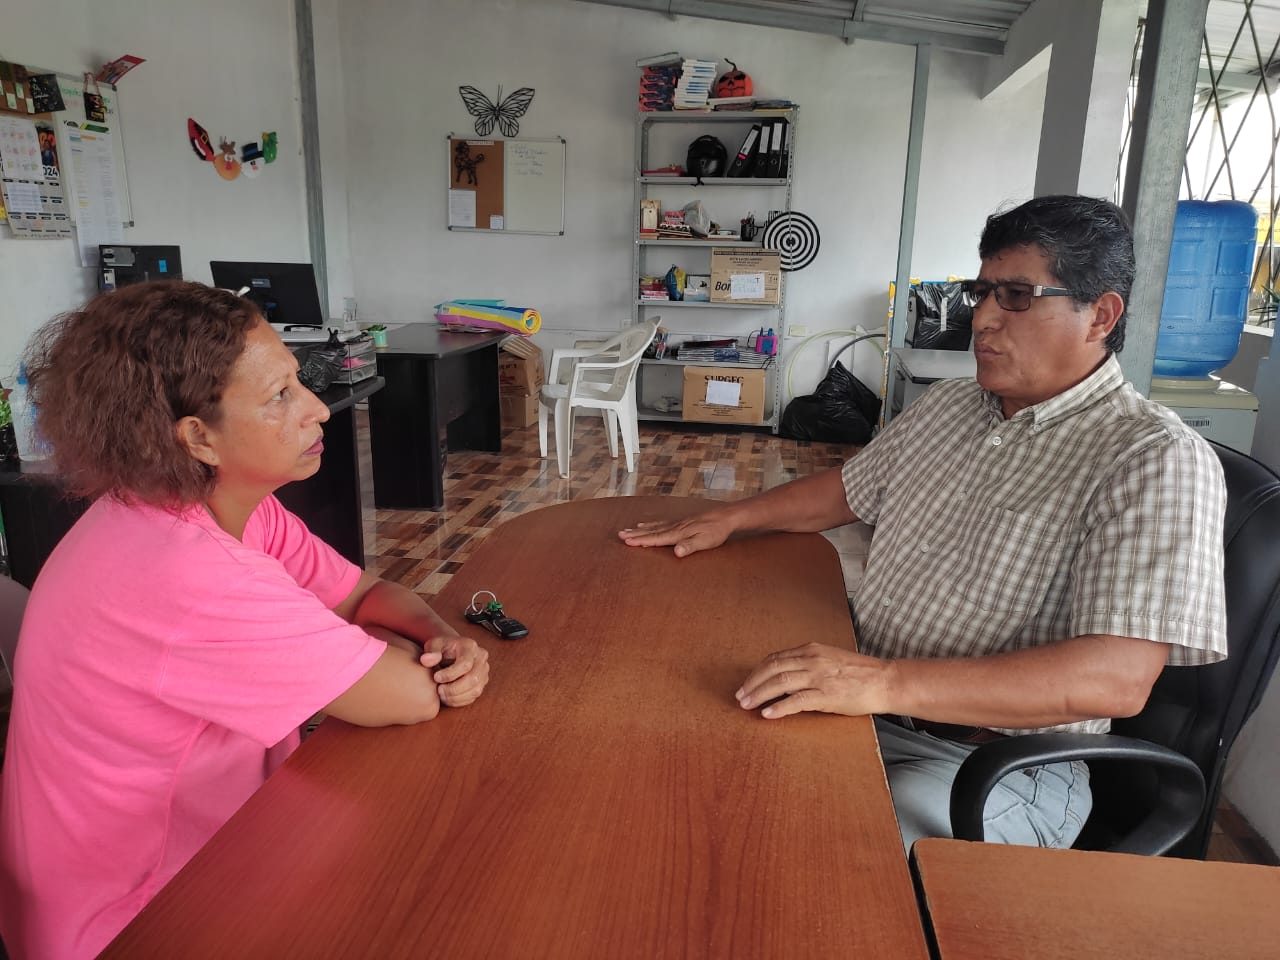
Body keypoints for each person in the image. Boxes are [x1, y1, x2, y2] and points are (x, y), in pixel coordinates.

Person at [619, 195, 1228, 852]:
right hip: (869, 709)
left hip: (991, 765)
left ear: (1100, 315)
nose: (982, 318)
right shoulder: (952, 406)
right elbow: (845, 491)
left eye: (1016, 296)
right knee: (674, 773)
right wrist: (730, 518)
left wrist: (881, 682)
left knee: (811, 858)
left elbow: (1114, 679)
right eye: (982, 292)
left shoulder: (1152, 457)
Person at [0, 282, 491, 959]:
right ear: (198, 437)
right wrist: (399, 654)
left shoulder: (201, 506)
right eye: (280, 396)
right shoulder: (190, 574)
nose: (316, 408)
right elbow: (410, 696)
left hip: (200, 850)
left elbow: (365, 593)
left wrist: (438, 634)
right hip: (137, 917)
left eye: (298, 380)